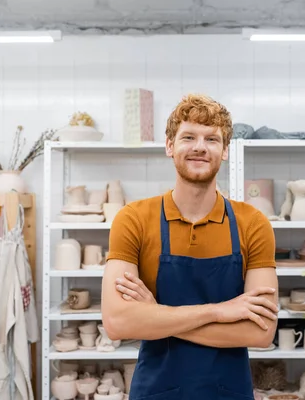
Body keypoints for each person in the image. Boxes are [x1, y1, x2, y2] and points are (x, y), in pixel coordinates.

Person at [101, 93, 279, 400]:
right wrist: (220, 311)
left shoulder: (252, 223)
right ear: (170, 146)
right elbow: (117, 322)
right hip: (157, 391)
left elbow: (260, 332)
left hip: (228, 392)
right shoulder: (134, 219)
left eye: (212, 138)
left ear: (224, 151)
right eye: (188, 137)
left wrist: (155, 316)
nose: (199, 146)